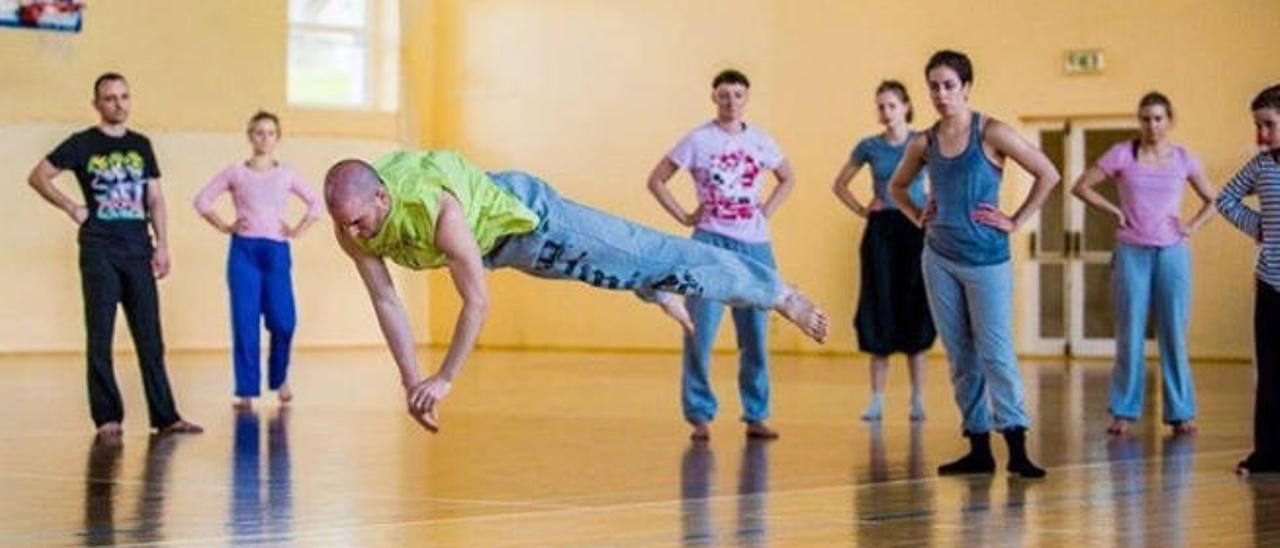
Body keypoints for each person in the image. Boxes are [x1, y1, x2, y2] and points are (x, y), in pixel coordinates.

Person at [323, 150, 829, 432]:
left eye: (361, 222)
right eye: (346, 226)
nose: (357, 234)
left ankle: (779, 294)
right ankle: (654, 286)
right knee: (617, 269)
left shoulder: (437, 213)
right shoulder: (350, 226)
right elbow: (386, 299)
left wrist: (446, 378)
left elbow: (476, 301)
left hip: (533, 220)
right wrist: (414, 383)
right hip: (499, 247)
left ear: (384, 197)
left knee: (654, 251)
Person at [887, 50, 1059, 478]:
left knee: (996, 353)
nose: (941, 94)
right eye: (934, 86)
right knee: (961, 356)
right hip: (940, 257)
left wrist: (1015, 220)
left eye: (949, 85)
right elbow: (897, 186)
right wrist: (918, 215)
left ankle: (1016, 445)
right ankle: (978, 448)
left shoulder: (992, 132)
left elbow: (1048, 174)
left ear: (966, 87)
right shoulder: (923, 141)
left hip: (987, 260)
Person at [26, 72, 202, 437]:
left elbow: (154, 198)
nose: (118, 104)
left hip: (138, 249)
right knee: (100, 335)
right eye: (109, 98)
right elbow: (39, 176)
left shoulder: (141, 145)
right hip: (99, 249)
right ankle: (108, 418)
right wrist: (71, 207)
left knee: (150, 337)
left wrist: (163, 244)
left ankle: (165, 417)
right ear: (97, 104)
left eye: (123, 96)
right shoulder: (82, 144)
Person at [646, 69, 794, 440]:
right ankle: (699, 414)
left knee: (756, 335)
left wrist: (768, 211)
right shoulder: (698, 140)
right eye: (724, 95)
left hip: (755, 248)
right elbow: (657, 179)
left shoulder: (761, 141)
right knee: (700, 331)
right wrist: (684, 215)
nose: (731, 102)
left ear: (747, 98)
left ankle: (756, 413)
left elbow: (788, 177)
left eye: (738, 95)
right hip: (709, 243)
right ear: (714, 97)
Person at [1071, 92, 1216, 437]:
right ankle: (1123, 410)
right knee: (1130, 333)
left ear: (1170, 121)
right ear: (1139, 121)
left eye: (1158, 118)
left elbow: (1213, 200)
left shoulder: (1183, 158)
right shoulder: (1123, 153)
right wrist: (1113, 211)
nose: (1151, 125)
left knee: (1173, 334)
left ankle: (1182, 413)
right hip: (1132, 252)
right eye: (1145, 118)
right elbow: (1081, 186)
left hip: (1172, 253)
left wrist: (1191, 226)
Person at [194, 111, 322, 410]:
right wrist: (225, 226)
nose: (264, 138)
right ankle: (246, 390)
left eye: (270, 133)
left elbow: (316, 203)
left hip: (276, 253)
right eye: (259, 132)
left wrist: (296, 230)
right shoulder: (236, 172)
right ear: (249, 136)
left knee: (284, 321)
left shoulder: (286, 173)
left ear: (278, 138)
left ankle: (280, 378)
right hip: (244, 253)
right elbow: (202, 200)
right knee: (245, 321)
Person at [832, 80, 936, 422]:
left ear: (906, 106)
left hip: (915, 228)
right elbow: (840, 184)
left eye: (891, 105)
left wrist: (932, 212)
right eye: (880, 106)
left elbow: (941, 179)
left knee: (915, 307)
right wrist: (864, 209)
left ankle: (918, 399)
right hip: (882, 230)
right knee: (879, 305)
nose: (886, 112)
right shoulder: (869, 146)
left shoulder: (922, 142)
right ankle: (876, 399)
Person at [1216, 84, 1280, 474]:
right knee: (1271, 371)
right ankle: (1268, 453)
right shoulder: (1261, 166)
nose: (1262, 135)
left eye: (1269, 125)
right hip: (1271, 281)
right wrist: (1259, 225)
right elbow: (1225, 199)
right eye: (1258, 126)